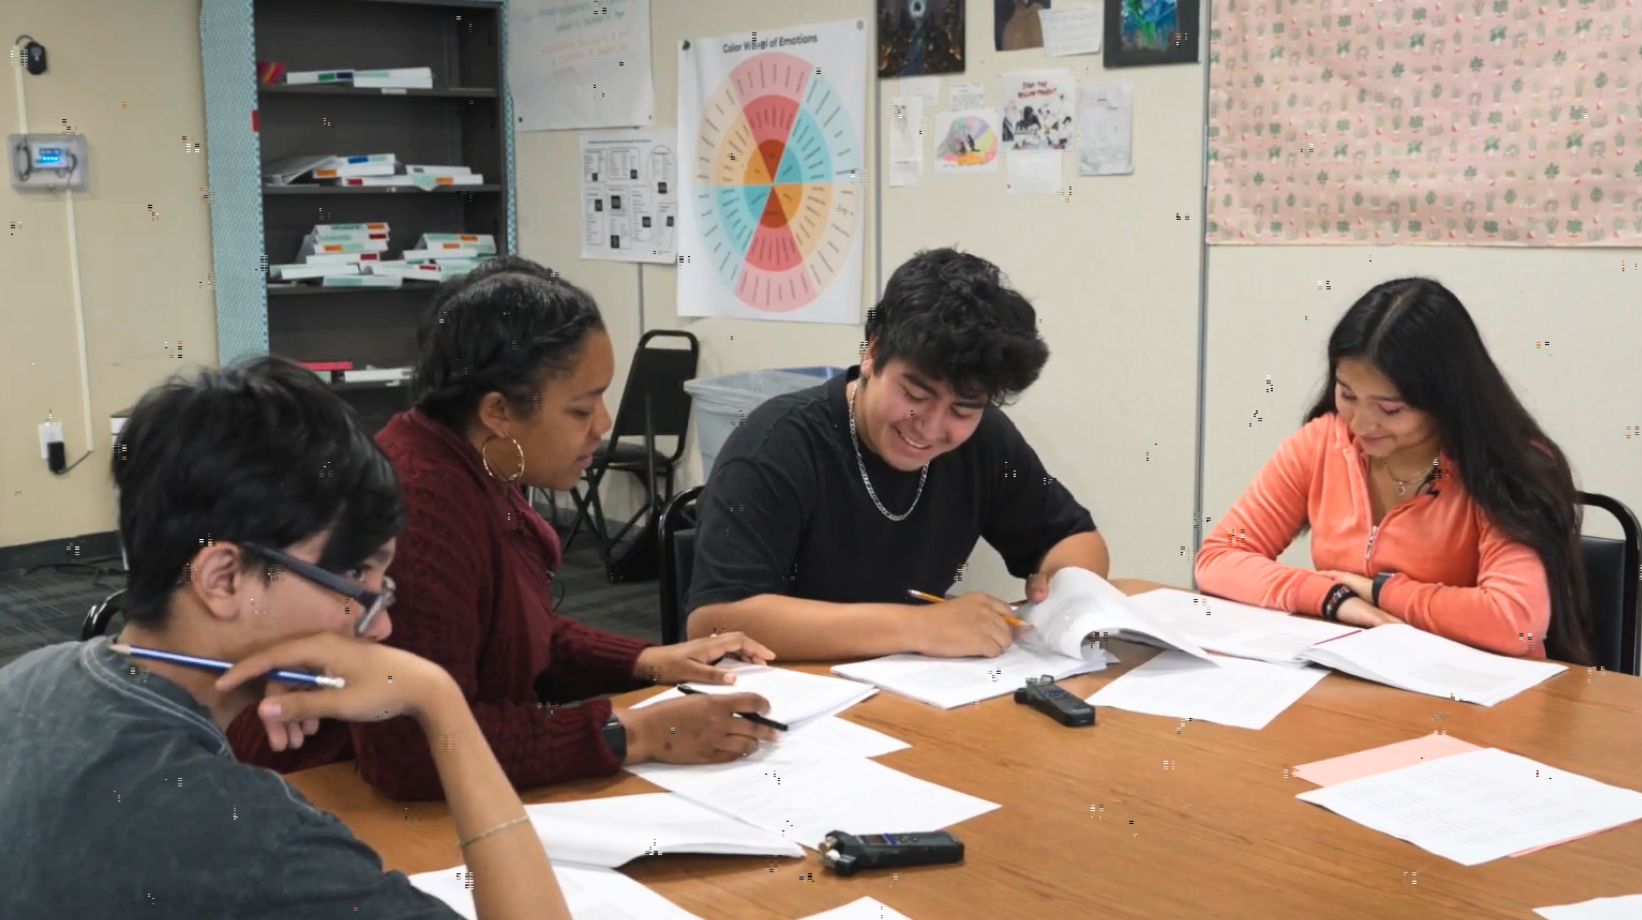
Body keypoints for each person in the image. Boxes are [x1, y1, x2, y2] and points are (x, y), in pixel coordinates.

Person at [0, 357, 572, 919]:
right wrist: (440, 703)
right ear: (224, 579)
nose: (383, 626)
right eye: (354, 579)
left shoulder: (28, 677)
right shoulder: (246, 835)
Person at [231, 256, 779, 800]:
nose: (604, 426)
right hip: (327, 797)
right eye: (581, 409)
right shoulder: (420, 507)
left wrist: (644, 661)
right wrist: (634, 732)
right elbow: (414, 752)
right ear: (498, 412)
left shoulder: (474, 464)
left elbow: (507, 627)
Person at [686, 247, 1110, 660]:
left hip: (910, 691)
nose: (929, 427)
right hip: (791, 698)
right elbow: (714, 623)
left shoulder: (986, 442)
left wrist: (1058, 589)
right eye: (914, 394)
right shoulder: (777, 446)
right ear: (872, 353)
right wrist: (920, 626)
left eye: (962, 410)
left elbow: (1075, 538)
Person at [1195, 277, 1592, 662]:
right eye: (1347, 394)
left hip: (1473, 695)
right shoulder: (1324, 445)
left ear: (1445, 398)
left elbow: (1516, 623)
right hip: (1357, 680)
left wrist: (1380, 592)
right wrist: (1329, 598)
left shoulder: (1496, 469)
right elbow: (1219, 557)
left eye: (1390, 409)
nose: (1360, 424)